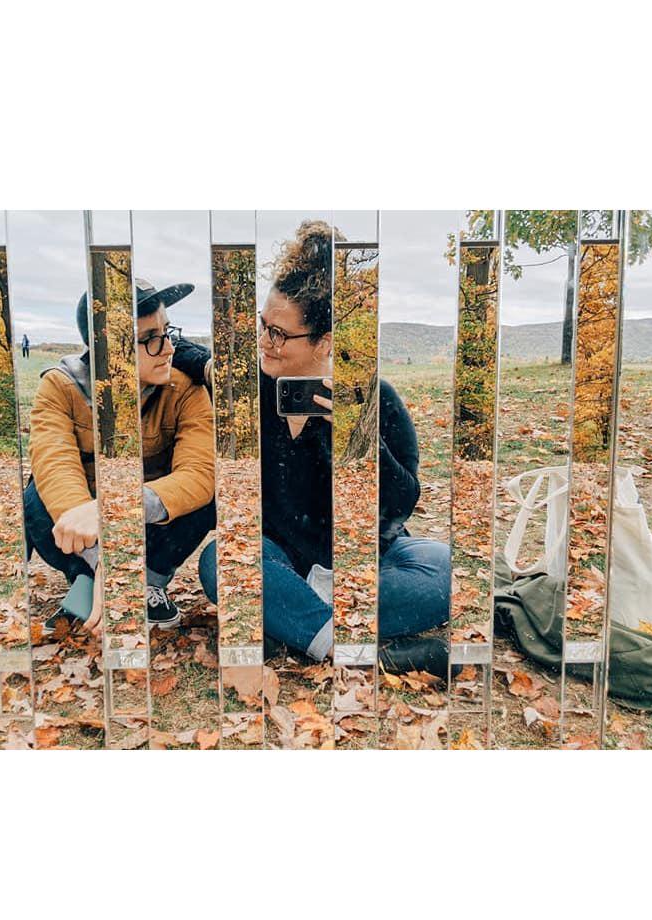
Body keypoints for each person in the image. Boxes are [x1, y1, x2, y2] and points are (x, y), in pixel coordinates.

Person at [175, 220, 452, 675]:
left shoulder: (374, 397)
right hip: (280, 558)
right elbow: (188, 352)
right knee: (219, 559)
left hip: (367, 564)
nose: (264, 342)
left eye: (279, 334)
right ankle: (350, 649)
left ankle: (290, 618)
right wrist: (210, 367)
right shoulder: (250, 389)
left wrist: (355, 437)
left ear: (325, 341)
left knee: (447, 570)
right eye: (263, 325)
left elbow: (403, 502)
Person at [23, 279, 216, 632]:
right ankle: (87, 579)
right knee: (37, 492)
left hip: (151, 525)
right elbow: (54, 464)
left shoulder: (185, 388)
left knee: (206, 493)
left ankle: (149, 581)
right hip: (86, 538)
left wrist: (115, 509)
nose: (169, 348)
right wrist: (103, 560)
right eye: (151, 338)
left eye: (167, 332)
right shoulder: (59, 386)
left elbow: (199, 473)